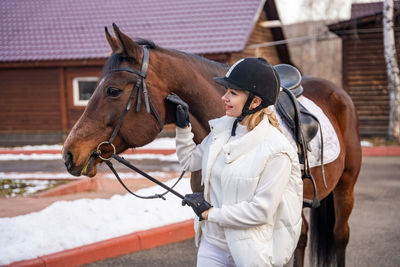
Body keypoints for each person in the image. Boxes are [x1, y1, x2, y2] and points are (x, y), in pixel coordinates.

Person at [166, 57, 303, 267]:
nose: (224, 98)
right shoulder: (221, 131)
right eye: (226, 91)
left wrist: (211, 213)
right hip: (211, 244)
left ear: (255, 102)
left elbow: (261, 211)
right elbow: (189, 162)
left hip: (251, 250)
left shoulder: (277, 150)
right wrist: (183, 127)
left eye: (233, 93)